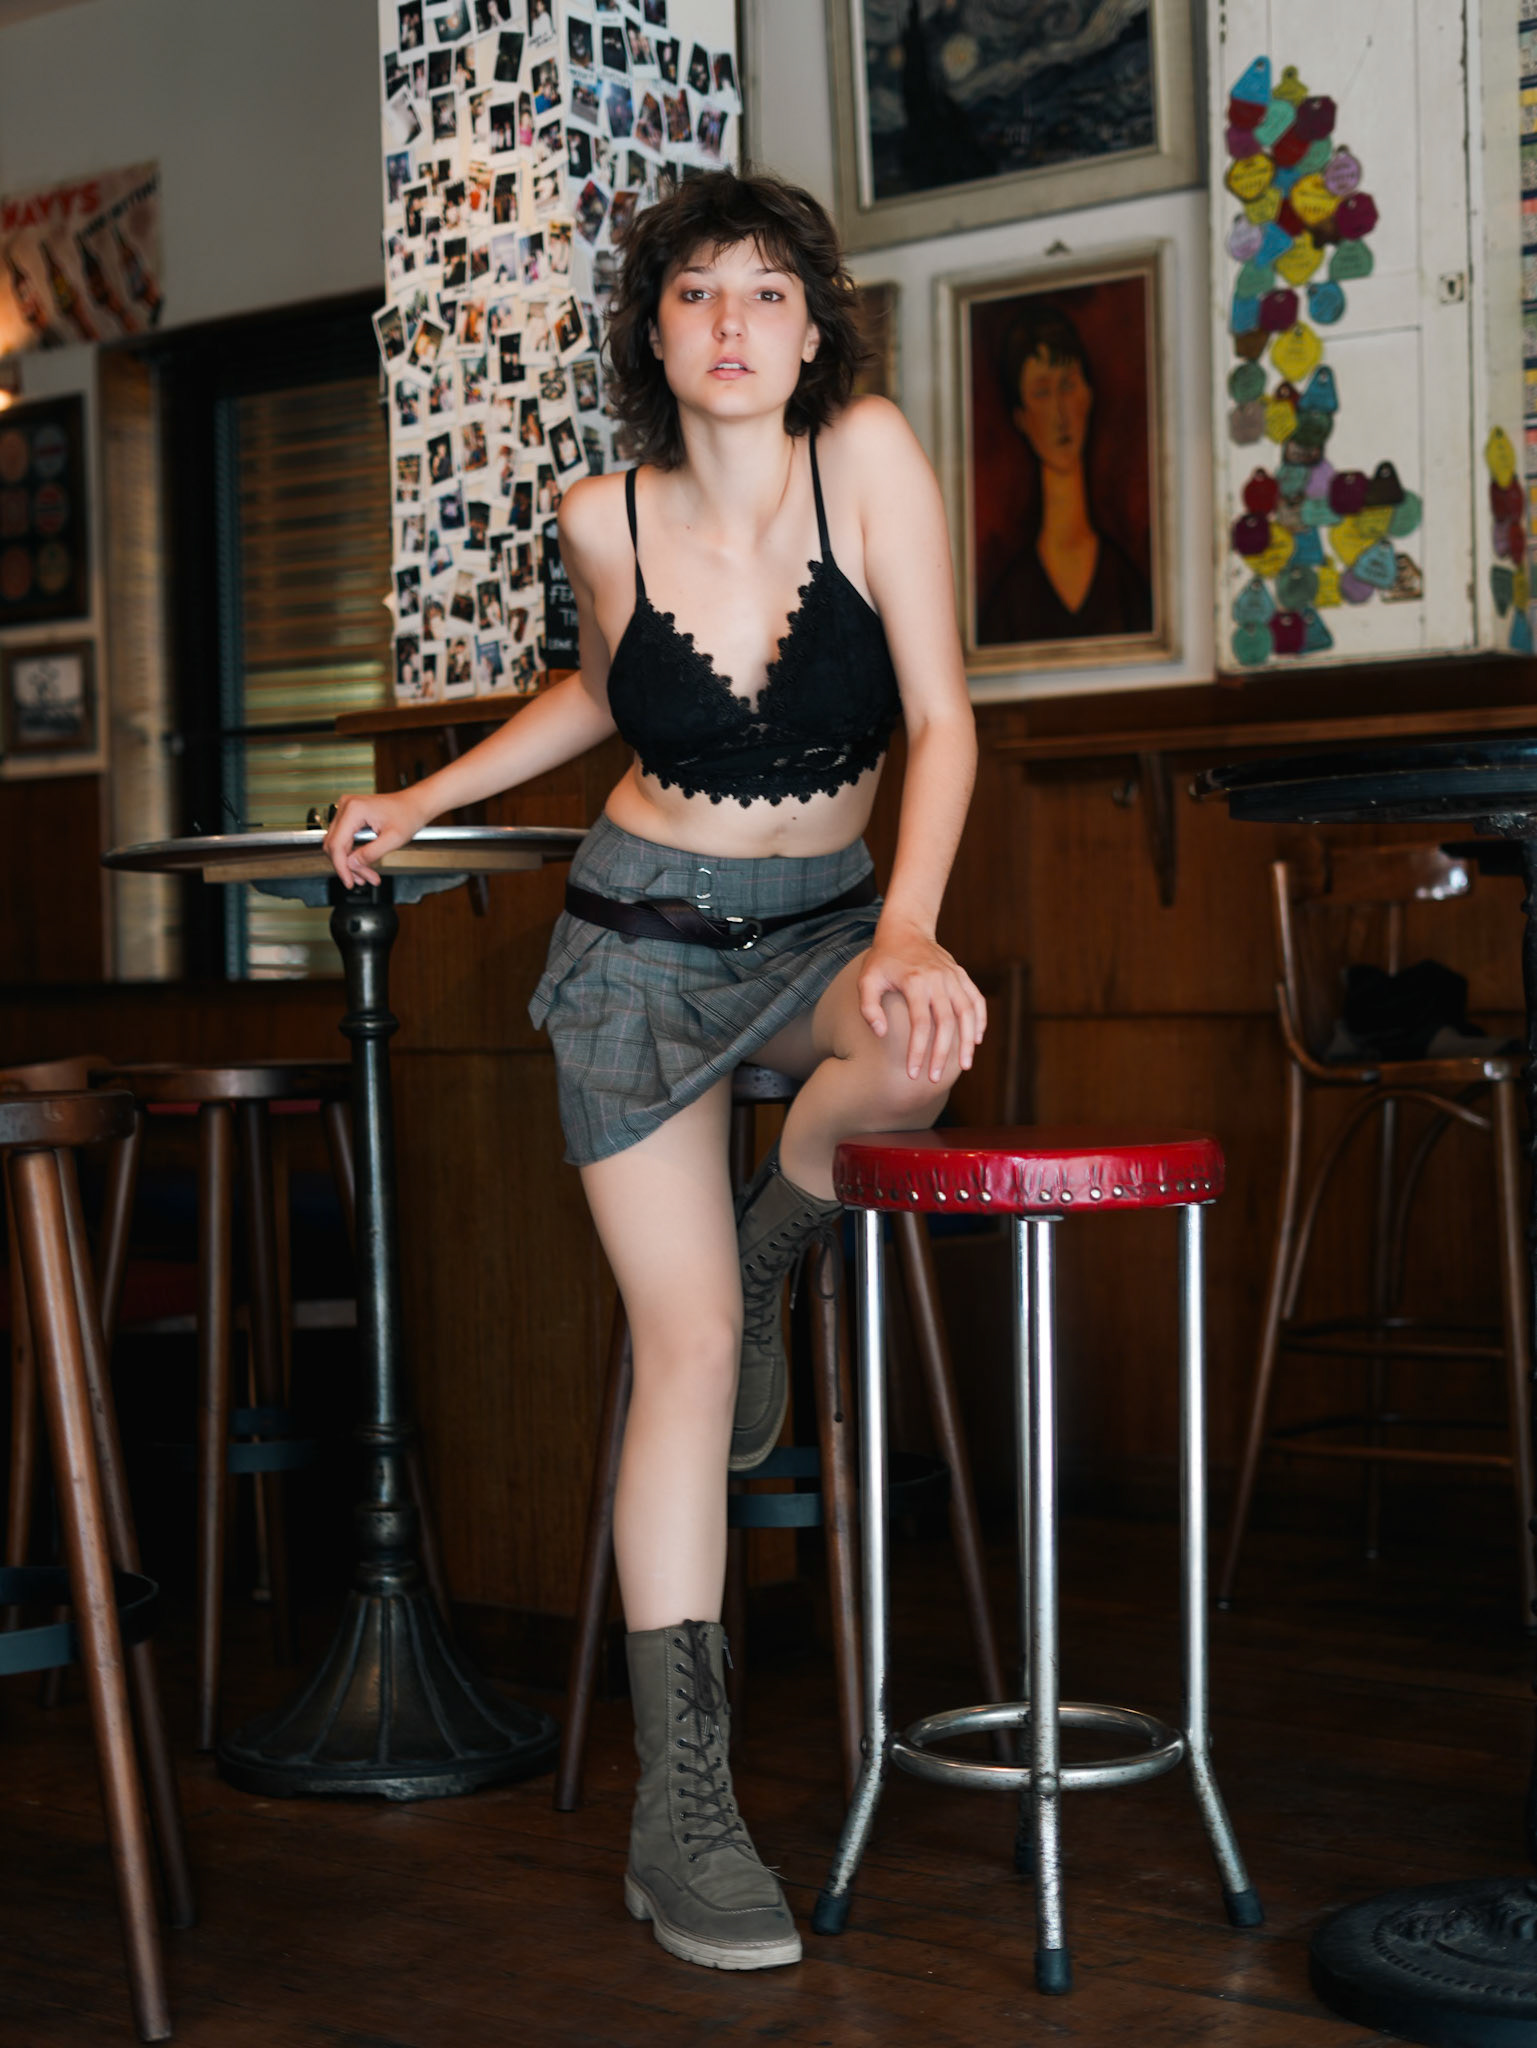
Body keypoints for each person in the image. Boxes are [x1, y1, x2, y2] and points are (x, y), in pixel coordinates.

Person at [323, 169, 983, 1976]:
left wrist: (908, 927)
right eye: (695, 293)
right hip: (638, 945)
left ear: (812, 326)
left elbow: (941, 718)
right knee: (682, 1358)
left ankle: (779, 1234)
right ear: (655, 334)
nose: (731, 322)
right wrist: (424, 794)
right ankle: (680, 1809)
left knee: (917, 1049)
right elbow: (606, 693)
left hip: (830, 925)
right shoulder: (598, 515)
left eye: (765, 290)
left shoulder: (869, 458)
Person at [977, 300, 1152, 646]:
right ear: (1021, 418)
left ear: (1088, 394)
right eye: (1041, 392)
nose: (1060, 414)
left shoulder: (1127, 583)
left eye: (1068, 385)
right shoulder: (1007, 601)